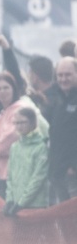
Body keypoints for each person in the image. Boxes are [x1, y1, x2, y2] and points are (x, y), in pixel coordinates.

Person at [0, 72, 48, 198]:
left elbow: (9, 140)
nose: (2, 92)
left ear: (13, 89)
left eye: (6, 87)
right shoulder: (1, 115)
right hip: (4, 176)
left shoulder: (21, 110)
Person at [2, 107, 50, 216]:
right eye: (16, 123)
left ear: (33, 123)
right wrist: (9, 200)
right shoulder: (14, 147)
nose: (19, 126)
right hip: (15, 205)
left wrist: (22, 202)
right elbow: (10, 176)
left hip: (36, 204)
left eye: (23, 122)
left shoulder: (41, 147)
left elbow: (38, 178)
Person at [47, 56, 77, 203]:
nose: (63, 79)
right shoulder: (57, 100)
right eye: (60, 75)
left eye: (68, 75)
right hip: (58, 174)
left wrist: (73, 166)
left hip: (73, 175)